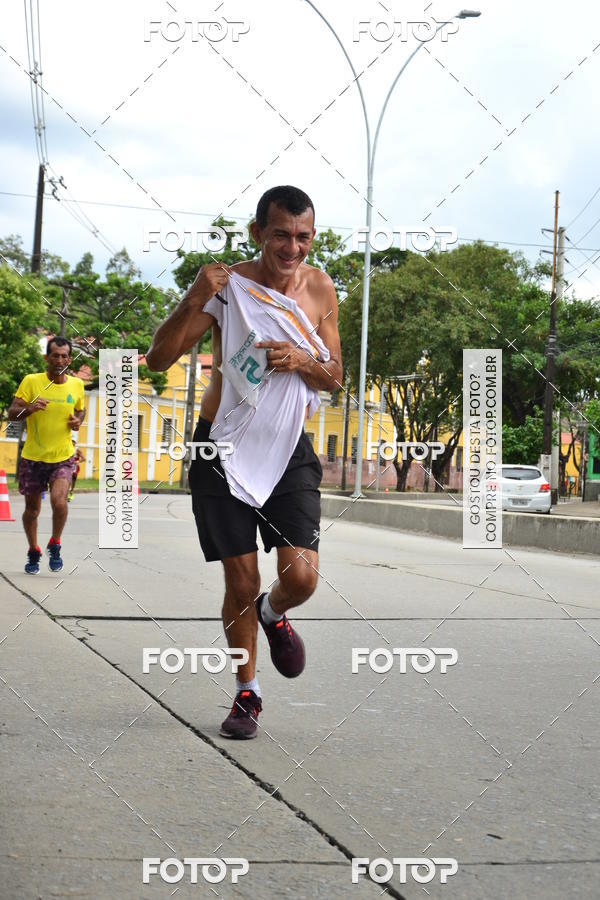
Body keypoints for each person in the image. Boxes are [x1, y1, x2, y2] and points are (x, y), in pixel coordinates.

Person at [147, 186, 343, 739]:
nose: (292, 248)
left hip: (287, 450)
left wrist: (305, 359)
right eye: (280, 234)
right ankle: (247, 693)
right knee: (241, 577)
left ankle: (272, 613)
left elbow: (335, 376)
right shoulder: (226, 287)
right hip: (221, 449)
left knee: (300, 577)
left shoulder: (321, 288)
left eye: (303, 236)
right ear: (258, 233)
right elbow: (160, 358)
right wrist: (192, 297)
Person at [7, 337, 86, 574]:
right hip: (33, 458)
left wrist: (77, 422)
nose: (60, 360)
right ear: (46, 358)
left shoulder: (77, 385)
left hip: (63, 456)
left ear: (70, 359)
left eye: (64, 356)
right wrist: (29, 408)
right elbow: (12, 412)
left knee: (59, 502)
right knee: (32, 510)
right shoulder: (32, 382)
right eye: (55, 355)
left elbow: (81, 412)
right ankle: (33, 550)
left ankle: (55, 542)